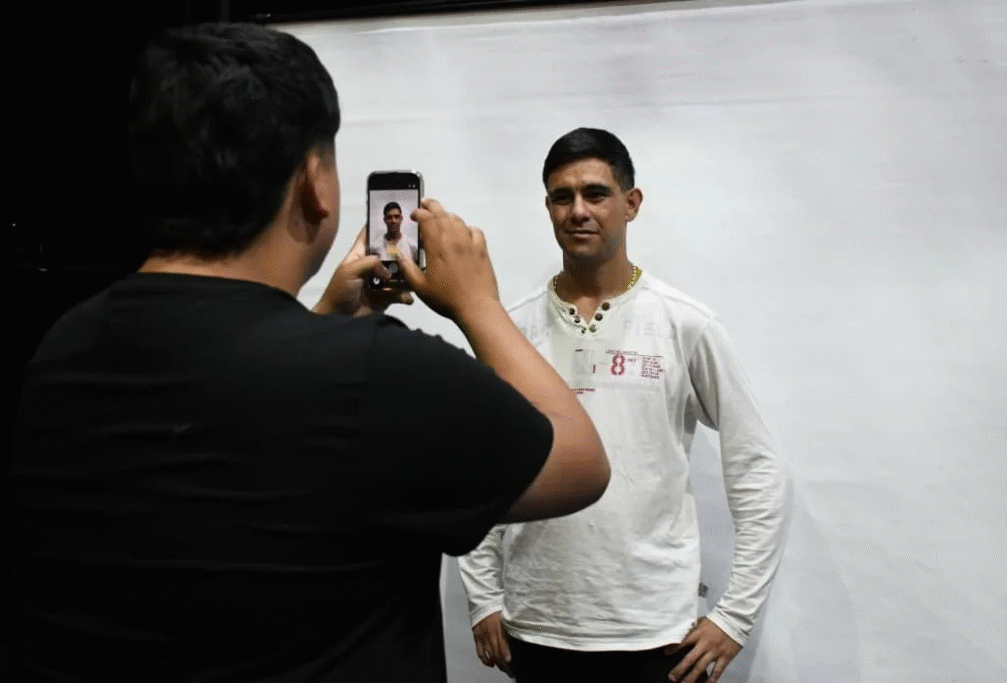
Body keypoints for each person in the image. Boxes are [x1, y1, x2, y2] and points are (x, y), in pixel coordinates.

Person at [6, 24, 611, 683]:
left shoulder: (61, 349)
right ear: (314, 185)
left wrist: (322, 319)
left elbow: (229, 438)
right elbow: (578, 462)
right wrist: (477, 303)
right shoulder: (376, 374)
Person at [458, 128, 792, 683]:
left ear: (631, 203)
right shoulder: (511, 331)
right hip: (537, 630)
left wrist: (735, 617)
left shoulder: (684, 323)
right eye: (562, 197)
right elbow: (479, 469)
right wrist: (483, 597)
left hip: (657, 636)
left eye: (596, 193)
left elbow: (757, 467)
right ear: (548, 207)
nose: (578, 211)